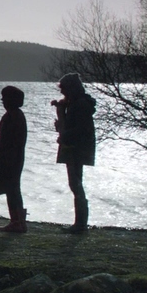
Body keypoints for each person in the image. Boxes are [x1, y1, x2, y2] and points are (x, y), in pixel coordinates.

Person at [53, 73, 96, 233]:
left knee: (76, 183)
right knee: (75, 183)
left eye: (64, 89)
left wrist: (64, 135)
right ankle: (80, 222)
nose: (62, 92)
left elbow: (80, 129)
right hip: (77, 147)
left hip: (77, 148)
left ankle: (81, 223)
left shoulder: (80, 105)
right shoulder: (76, 104)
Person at [0, 86, 28, 233]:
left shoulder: (12, 117)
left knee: (12, 190)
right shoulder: (16, 116)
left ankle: (18, 221)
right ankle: (18, 220)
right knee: (13, 189)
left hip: (9, 160)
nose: (3, 101)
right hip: (14, 159)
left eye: (5, 99)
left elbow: (7, 143)